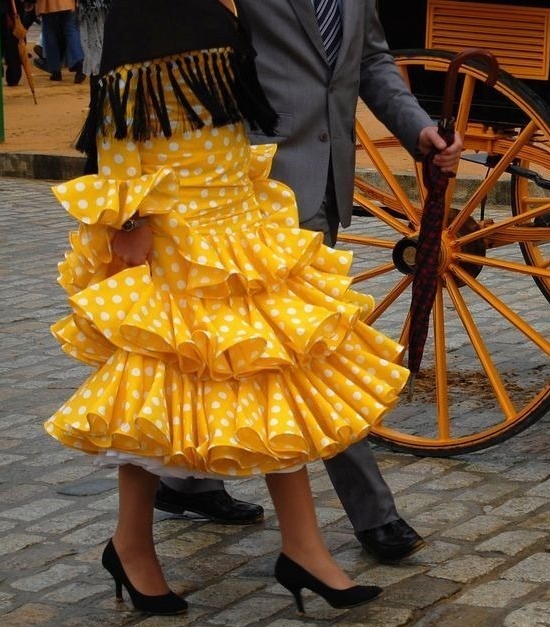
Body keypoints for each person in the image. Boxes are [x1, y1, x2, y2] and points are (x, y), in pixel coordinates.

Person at [45, 0, 411, 615]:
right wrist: (129, 220)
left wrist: (251, 199)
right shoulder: (144, 11)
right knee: (153, 394)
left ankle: (302, 547)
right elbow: (118, 124)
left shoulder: (221, 9)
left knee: (274, 372)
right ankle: (132, 544)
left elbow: (233, 121)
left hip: (236, 219)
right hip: (173, 228)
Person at [153, 0, 463, 564]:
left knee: (244, 348)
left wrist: (418, 129)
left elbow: (371, 61)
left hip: (325, 187)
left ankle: (185, 482)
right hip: (253, 191)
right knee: (312, 354)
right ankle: (375, 515)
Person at [36, 0, 85, 82]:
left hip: (47, 4)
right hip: (67, 2)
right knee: (71, 30)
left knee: (49, 33)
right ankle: (78, 62)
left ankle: (55, 70)